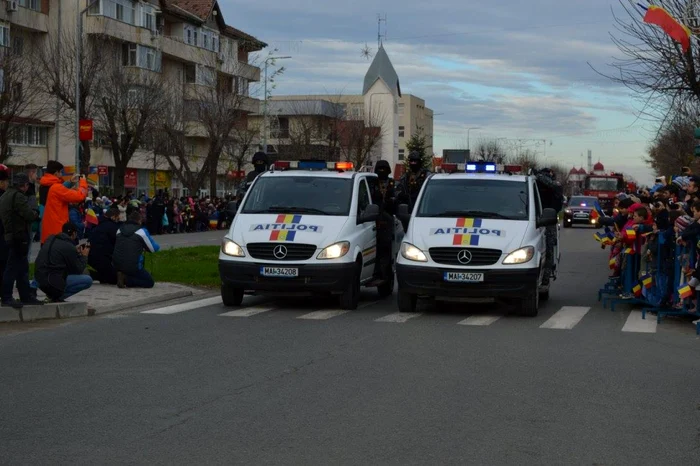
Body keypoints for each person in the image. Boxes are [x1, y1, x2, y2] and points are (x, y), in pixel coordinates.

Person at [0, 174, 41, 308]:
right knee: (12, 268)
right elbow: (29, 215)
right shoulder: (17, 196)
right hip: (18, 236)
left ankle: (26, 296)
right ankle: (6, 297)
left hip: (11, 235)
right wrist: (35, 213)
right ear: (24, 185)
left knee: (22, 267)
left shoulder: (5, 195)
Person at [35, 222, 93, 302]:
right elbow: (78, 270)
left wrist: (73, 250)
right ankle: (57, 297)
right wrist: (84, 256)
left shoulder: (50, 239)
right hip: (52, 282)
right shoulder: (69, 247)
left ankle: (44, 293)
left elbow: (60, 252)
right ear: (74, 233)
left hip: (39, 279)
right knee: (87, 280)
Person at [39, 161, 88, 244]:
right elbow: (80, 196)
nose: (61, 174)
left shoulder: (45, 184)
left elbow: (61, 190)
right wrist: (83, 182)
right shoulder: (56, 187)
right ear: (56, 173)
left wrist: (70, 182)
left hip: (49, 231)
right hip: (57, 232)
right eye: (60, 172)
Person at [113, 211, 160, 289]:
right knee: (149, 282)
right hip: (133, 265)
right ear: (139, 220)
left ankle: (123, 275)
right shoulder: (141, 231)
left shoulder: (119, 230)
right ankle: (126, 280)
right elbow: (153, 249)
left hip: (117, 264)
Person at [534, 168, 564, 286]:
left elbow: (551, 185)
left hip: (548, 221)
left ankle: (545, 278)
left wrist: (538, 175)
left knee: (548, 251)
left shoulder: (554, 185)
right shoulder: (536, 184)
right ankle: (543, 277)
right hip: (536, 219)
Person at [369, 160, 396, 285]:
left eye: (384, 169)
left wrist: (392, 201)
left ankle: (385, 275)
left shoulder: (392, 184)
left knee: (386, 249)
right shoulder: (371, 183)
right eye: (380, 169)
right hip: (372, 219)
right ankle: (375, 272)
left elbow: (398, 199)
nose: (382, 171)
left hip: (388, 220)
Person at [87, 206, 121, 285]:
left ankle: (99, 275)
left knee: (107, 273)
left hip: (90, 255)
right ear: (113, 217)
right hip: (102, 256)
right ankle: (92, 275)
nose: (118, 219)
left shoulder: (97, 223)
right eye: (118, 217)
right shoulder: (112, 227)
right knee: (115, 279)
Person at [396, 151, 430, 230]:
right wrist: (401, 195)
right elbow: (397, 190)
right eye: (411, 161)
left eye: (415, 161)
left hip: (422, 210)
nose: (413, 163)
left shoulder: (426, 175)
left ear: (419, 162)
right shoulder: (405, 177)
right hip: (408, 210)